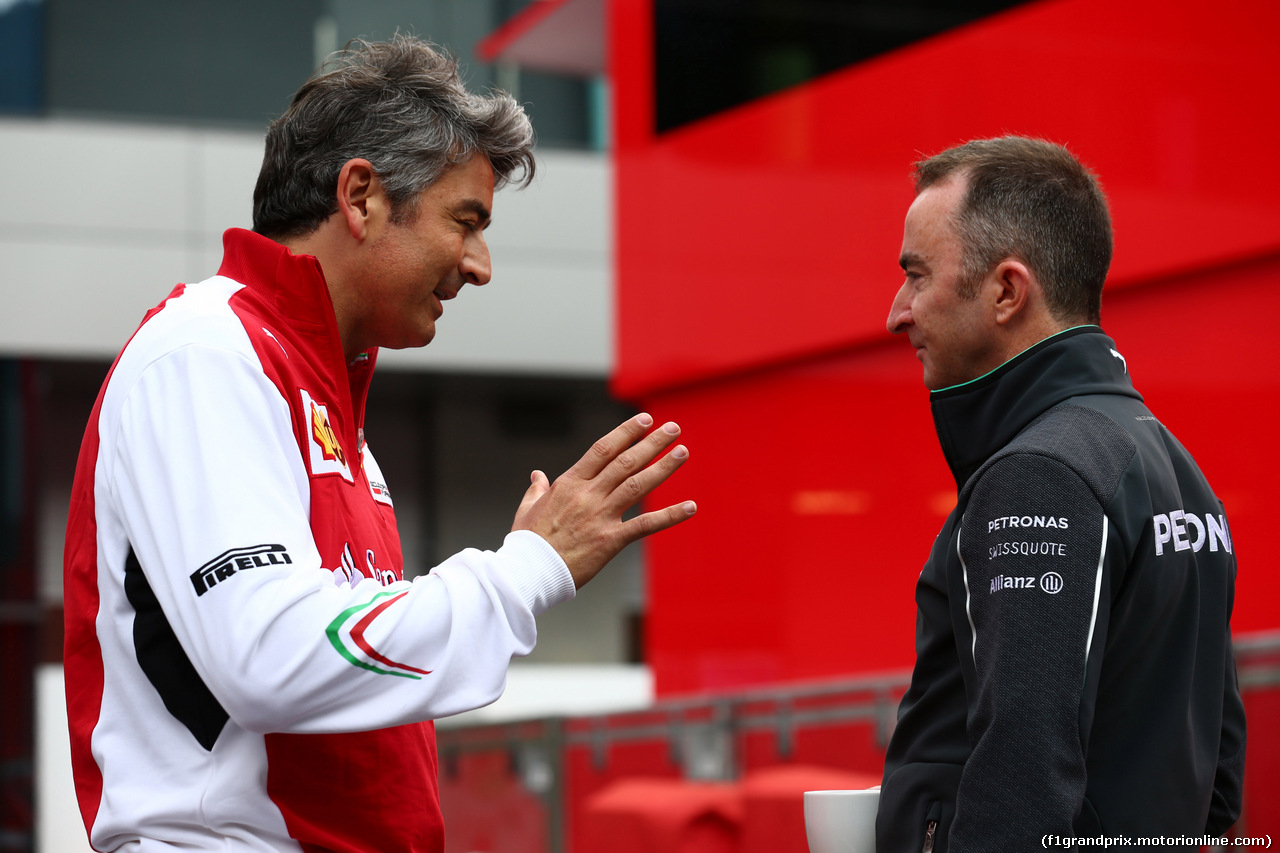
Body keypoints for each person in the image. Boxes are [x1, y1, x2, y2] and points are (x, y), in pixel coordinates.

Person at [62, 36, 695, 852]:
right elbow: (269, 654)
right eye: (465, 220)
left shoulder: (328, 412)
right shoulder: (204, 349)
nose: (481, 265)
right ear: (360, 196)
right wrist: (525, 570)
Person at [875, 136, 1245, 851]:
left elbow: (1022, 771)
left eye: (917, 276)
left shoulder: (1040, 472)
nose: (898, 311)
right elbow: (1219, 774)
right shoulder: (1172, 464)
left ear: (1008, 291)